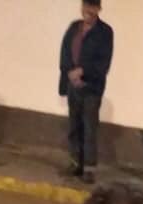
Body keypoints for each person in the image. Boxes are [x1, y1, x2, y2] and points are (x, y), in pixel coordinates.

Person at [59, 1, 114, 185]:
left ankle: (89, 168)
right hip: (72, 84)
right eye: (85, 6)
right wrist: (69, 72)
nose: (88, 11)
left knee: (89, 127)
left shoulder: (105, 32)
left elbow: (103, 63)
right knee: (74, 126)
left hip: (91, 88)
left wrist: (82, 71)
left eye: (92, 7)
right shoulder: (74, 27)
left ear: (98, 9)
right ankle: (75, 163)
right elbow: (65, 51)